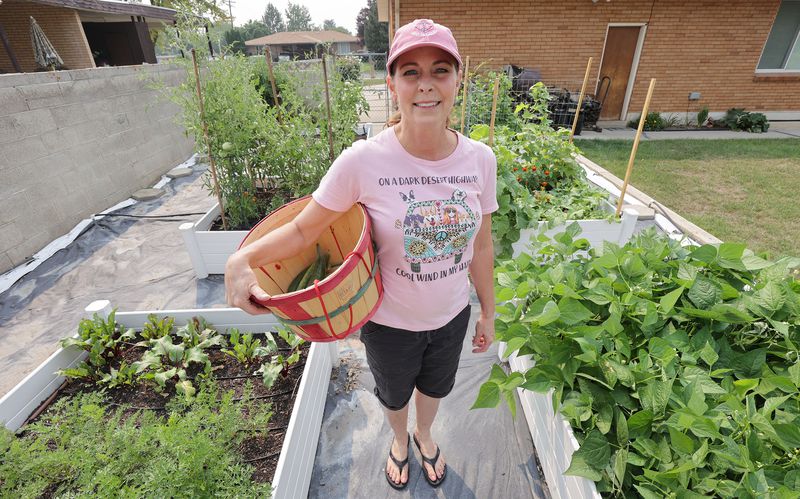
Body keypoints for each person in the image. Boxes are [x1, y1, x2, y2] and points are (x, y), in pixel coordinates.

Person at [225, 18, 497, 490]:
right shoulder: (363, 161)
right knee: (394, 393)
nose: (426, 84)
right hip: (388, 321)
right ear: (392, 83)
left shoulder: (480, 160)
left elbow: (482, 242)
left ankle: (425, 435)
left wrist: (488, 311)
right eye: (410, 72)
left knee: (435, 388)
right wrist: (239, 261)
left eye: (440, 70)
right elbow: (303, 228)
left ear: (458, 80)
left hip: (452, 314)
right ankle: (399, 440)